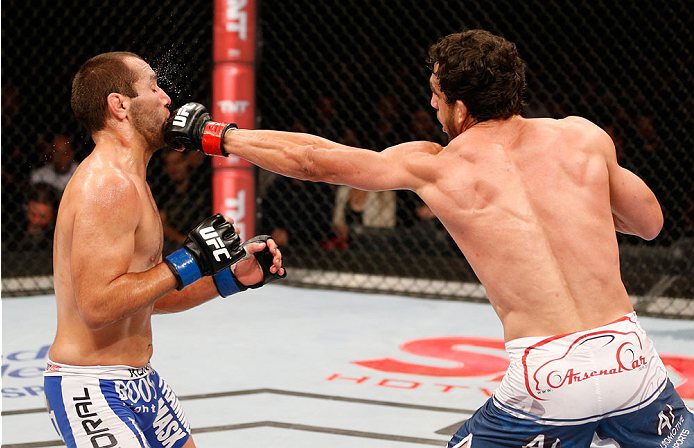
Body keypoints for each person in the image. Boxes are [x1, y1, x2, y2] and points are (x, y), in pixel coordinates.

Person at [164, 29, 693, 447]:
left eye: (437, 97)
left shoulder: (439, 167)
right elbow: (648, 223)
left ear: (460, 107)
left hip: (546, 380)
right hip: (633, 363)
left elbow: (313, 160)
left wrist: (217, 134)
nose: (434, 109)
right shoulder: (583, 136)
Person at [43, 51, 286, 448]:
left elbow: (147, 297)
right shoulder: (106, 185)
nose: (166, 98)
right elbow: (97, 307)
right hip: (91, 385)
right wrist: (190, 259)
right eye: (152, 86)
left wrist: (227, 279)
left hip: (142, 381)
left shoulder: (133, 181)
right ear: (118, 105)